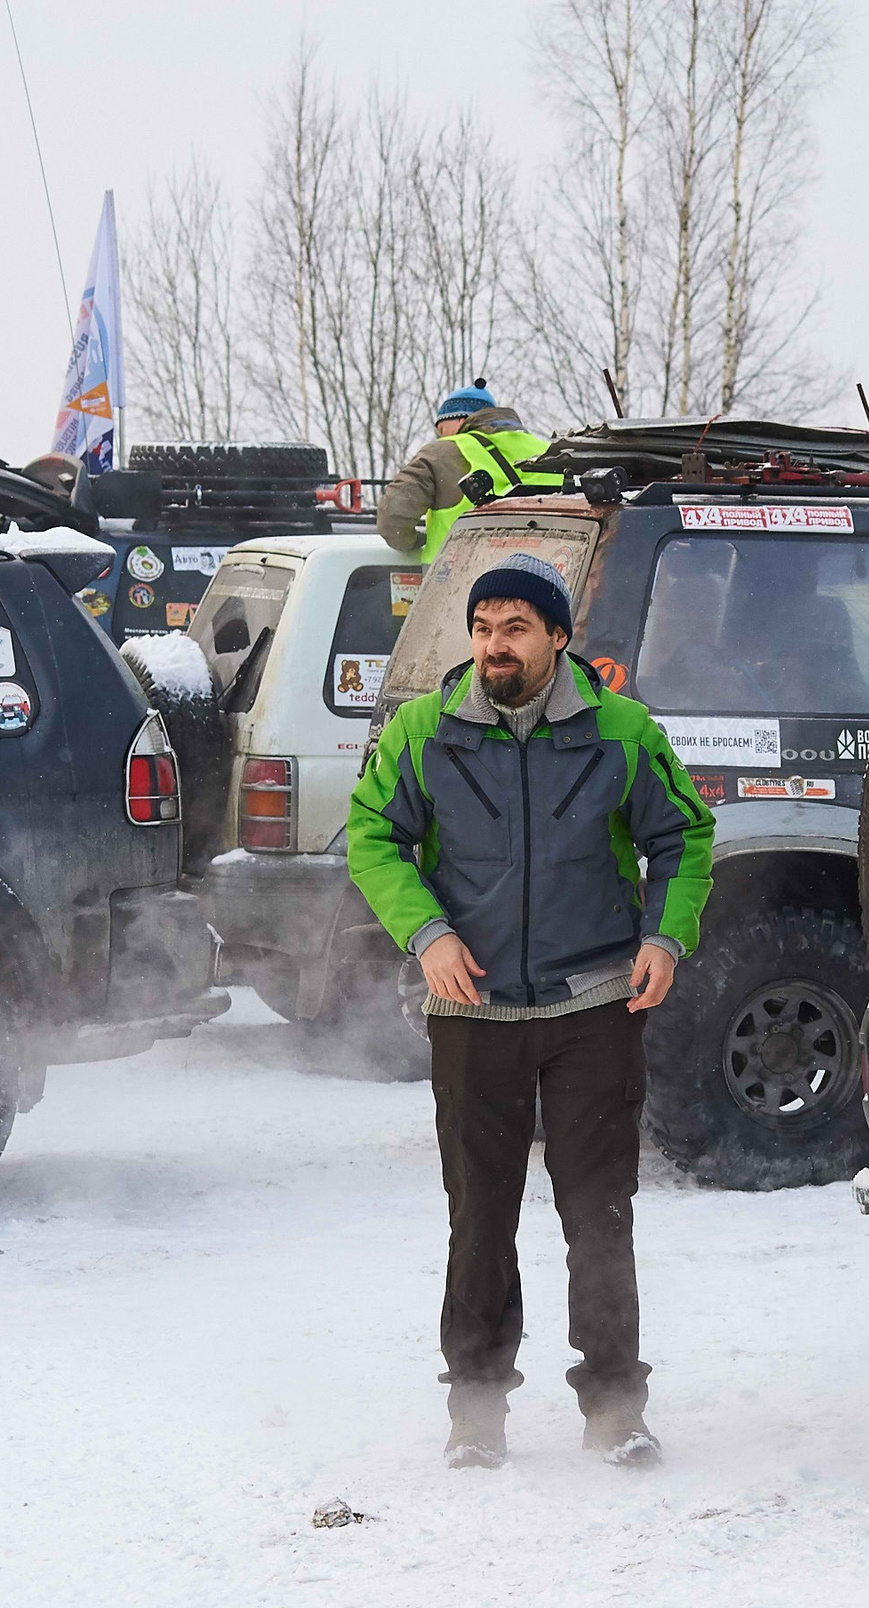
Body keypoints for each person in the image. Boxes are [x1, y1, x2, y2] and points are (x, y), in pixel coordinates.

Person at [347, 552, 714, 1469]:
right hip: (472, 1012)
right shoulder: (425, 731)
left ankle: (616, 1407)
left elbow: (683, 836)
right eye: (481, 628)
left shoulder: (621, 731)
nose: (493, 646)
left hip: (593, 1004)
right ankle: (476, 1410)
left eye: (514, 628)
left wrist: (665, 939)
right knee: (480, 1216)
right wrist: (426, 931)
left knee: (599, 1213)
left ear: (557, 636)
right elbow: (372, 836)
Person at [375, 383, 564, 558]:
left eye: (442, 428)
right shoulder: (551, 451)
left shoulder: (441, 453)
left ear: (460, 419)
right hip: (546, 576)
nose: (441, 436)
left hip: (458, 579)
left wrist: (417, 541)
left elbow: (393, 519)